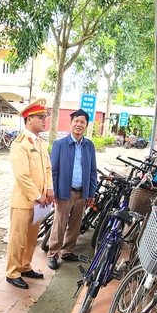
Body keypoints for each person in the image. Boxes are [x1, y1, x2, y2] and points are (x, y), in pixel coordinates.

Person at [6, 98, 54, 289]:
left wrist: (49, 189)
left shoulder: (41, 143)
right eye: (40, 117)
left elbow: (48, 168)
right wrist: (37, 194)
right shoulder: (20, 144)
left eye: (45, 117)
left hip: (39, 201)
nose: (44, 120)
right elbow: (22, 175)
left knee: (31, 238)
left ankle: (25, 266)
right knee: (17, 238)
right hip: (24, 200)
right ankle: (12, 271)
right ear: (28, 119)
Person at [47, 109, 98, 270]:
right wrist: (53, 191)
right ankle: (53, 254)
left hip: (81, 193)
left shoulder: (89, 146)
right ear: (71, 124)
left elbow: (92, 171)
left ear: (86, 126)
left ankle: (67, 252)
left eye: (82, 122)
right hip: (64, 192)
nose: (79, 124)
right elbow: (53, 170)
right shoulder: (60, 144)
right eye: (76, 121)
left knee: (75, 226)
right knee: (59, 225)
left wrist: (91, 193)